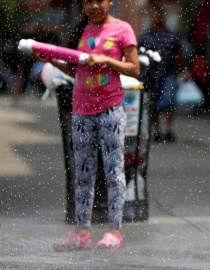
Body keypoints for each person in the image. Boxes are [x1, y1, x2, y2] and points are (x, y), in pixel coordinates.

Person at [30, 0, 139, 251]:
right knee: (83, 174)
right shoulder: (80, 31)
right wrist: (51, 60)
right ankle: (81, 232)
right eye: (88, 1)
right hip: (81, 112)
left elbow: (134, 69)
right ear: (83, 4)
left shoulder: (122, 29)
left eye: (100, 0)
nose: (95, 6)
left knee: (113, 171)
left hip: (111, 110)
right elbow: (75, 72)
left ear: (110, 1)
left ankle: (114, 231)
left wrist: (106, 60)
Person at [138, 3, 186, 143]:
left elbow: (178, 54)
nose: (156, 18)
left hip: (169, 74)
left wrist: (182, 71)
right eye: (154, 15)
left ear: (163, 17)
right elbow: (139, 55)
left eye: (158, 15)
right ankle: (157, 130)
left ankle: (168, 129)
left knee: (168, 102)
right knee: (153, 104)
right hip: (151, 76)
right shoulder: (145, 36)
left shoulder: (172, 35)